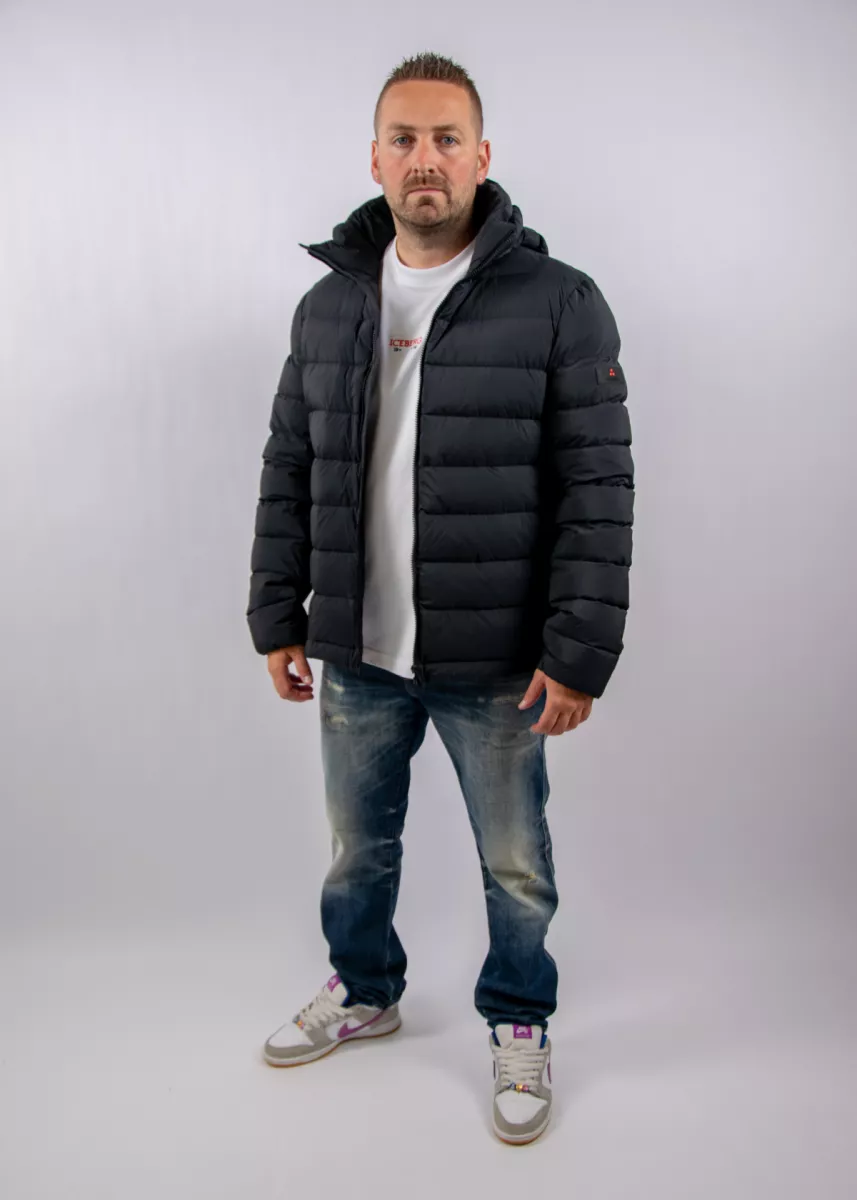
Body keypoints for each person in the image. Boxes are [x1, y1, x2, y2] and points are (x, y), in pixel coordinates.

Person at [246, 51, 634, 1146]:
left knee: (514, 862)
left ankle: (518, 1018)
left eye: (446, 139)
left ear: (481, 156)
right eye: (405, 139)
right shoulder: (329, 304)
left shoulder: (559, 302)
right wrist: (277, 613)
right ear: (375, 158)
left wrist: (577, 650)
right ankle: (365, 988)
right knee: (354, 848)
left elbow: (598, 488)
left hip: (497, 659)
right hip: (357, 650)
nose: (426, 159)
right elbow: (288, 464)